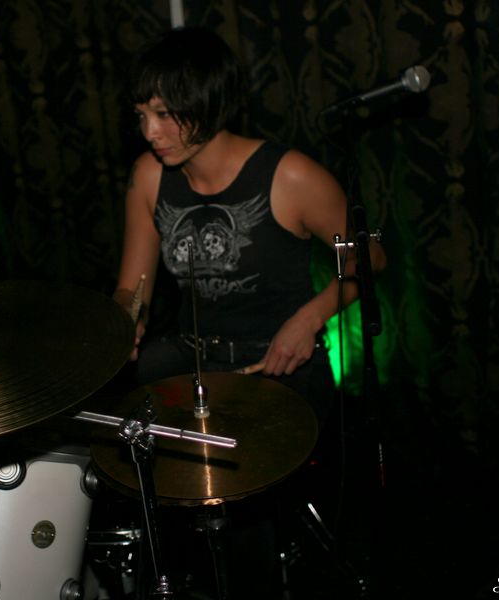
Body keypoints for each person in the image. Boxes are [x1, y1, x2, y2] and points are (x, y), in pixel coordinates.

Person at [109, 26, 386, 598]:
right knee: (124, 441)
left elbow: (370, 257)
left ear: (209, 103)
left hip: (277, 365)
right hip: (194, 357)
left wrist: (311, 317)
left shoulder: (289, 175)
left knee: (232, 483)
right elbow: (132, 289)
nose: (150, 132)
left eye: (165, 115)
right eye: (141, 115)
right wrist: (122, 323)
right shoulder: (149, 176)